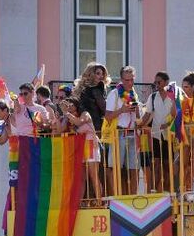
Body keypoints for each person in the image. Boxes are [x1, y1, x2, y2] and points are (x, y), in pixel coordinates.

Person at [105, 66, 142, 194]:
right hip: (118, 133)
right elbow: (108, 116)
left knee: (134, 168)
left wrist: (137, 110)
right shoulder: (114, 94)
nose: (130, 83)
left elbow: (139, 118)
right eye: (126, 80)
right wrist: (122, 110)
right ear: (121, 79)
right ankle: (116, 197)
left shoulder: (134, 94)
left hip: (133, 133)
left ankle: (132, 197)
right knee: (115, 168)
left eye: (132, 80)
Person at [140, 72, 178, 194]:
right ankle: (155, 191)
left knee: (168, 165)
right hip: (156, 134)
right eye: (155, 82)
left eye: (159, 82)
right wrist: (139, 125)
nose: (156, 84)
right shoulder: (152, 97)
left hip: (169, 136)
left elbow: (176, 115)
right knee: (155, 164)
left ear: (166, 82)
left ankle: (168, 192)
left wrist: (168, 125)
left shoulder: (173, 97)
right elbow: (147, 114)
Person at [60, 97, 103, 203]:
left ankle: (99, 202)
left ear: (77, 105)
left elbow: (79, 123)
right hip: (80, 148)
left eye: (71, 105)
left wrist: (67, 113)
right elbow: (60, 129)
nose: (70, 108)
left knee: (93, 176)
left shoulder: (85, 114)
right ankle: (79, 203)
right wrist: (64, 114)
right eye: (67, 106)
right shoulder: (69, 117)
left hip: (90, 145)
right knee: (81, 178)